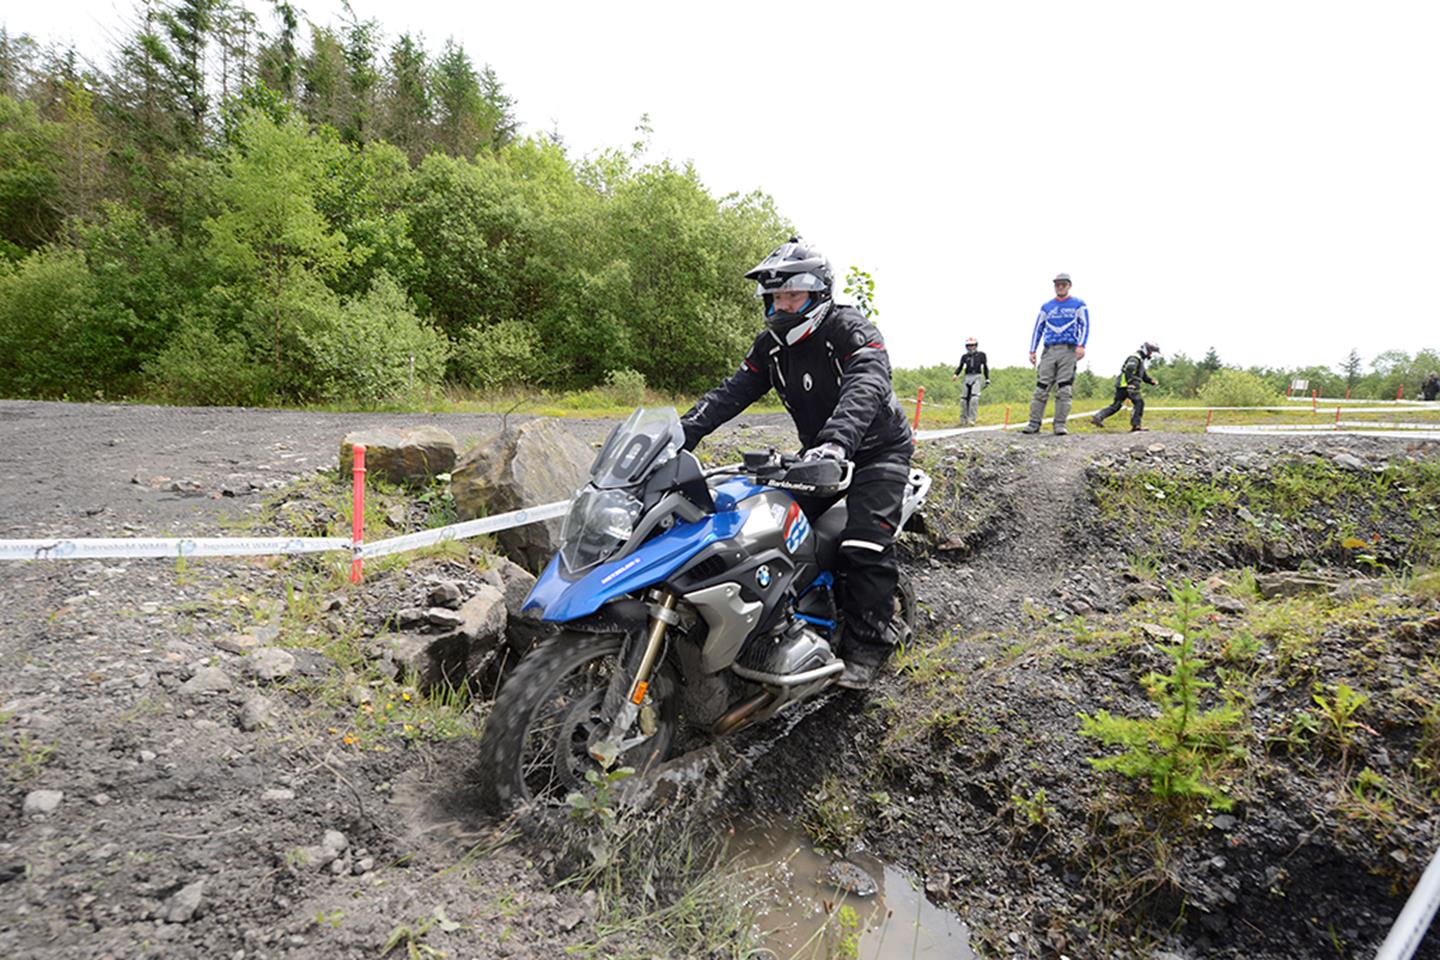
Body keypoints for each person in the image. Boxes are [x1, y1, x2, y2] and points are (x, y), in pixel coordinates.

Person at [679, 238, 914, 689]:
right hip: (818, 456)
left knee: (863, 543)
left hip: (875, 450)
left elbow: (866, 384)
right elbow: (731, 393)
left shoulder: (852, 331)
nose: (783, 306)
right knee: (764, 534)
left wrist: (836, 443)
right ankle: (782, 630)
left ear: (819, 293)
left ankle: (868, 647)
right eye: (776, 297)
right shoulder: (770, 346)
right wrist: (679, 434)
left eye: (793, 295)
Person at [1023, 272, 1089, 435]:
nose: (1060, 287)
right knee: (1041, 387)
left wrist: (1082, 345)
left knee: (1064, 388)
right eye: (1057, 284)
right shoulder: (1047, 306)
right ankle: (1034, 423)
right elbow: (1038, 328)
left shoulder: (1078, 304)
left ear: (1069, 286)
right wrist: (1032, 350)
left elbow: (1085, 325)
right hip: (1049, 350)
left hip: (1068, 350)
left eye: (1063, 284)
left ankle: (1059, 424)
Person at [1092, 342, 1161, 431]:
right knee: (1139, 403)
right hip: (1129, 385)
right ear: (1146, 350)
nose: (1151, 354)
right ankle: (1136, 426)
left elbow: (1143, 376)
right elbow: (1129, 370)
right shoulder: (1135, 358)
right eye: (1151, 352)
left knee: (1116, 405)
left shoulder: (1139, 360)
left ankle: (1098, 417)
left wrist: (1152, 381)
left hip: (1122, 385)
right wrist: (1131, 383)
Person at [951, 337, 990, 425]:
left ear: (976, 346)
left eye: (972, 345)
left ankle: (971, 420)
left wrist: (987, 378)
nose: (970, 347)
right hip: (967, 376)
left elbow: (985, 367)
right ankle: (963, 420)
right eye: (968, 346)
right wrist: (956, 374)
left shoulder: (981, 355)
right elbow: (960, 366)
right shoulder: (964, 357)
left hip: (977, 376)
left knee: (974, 398)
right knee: (963, 399)